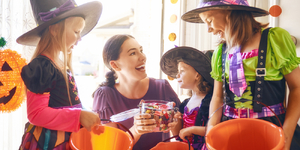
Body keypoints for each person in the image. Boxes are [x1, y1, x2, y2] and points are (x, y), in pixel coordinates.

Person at [181, 0, 300, 149]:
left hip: (272, 131)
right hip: (231, 132)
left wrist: (286, 135)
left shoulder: (274, 39)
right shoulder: (220, 52)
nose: (208, 30)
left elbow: (297, 88)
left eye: (209, 20)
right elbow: (218, 97)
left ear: (230, 12)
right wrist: (211, 128)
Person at [17, 0, 102, 149]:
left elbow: (68, 103)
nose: (79, 38)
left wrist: (86, 114)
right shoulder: (42, 67)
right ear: (54, 29)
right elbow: (36, 114)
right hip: (49, 142)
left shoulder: (60, 65)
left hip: (67, 138)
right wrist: (79, 116)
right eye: (76, 32)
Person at [92, 34, 181, 150]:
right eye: (133, 53)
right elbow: (108, 147)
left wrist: (175, 122)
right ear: (115, 65)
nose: (143, 57)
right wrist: (135, 131)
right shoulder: (105, 96)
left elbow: (181, 135)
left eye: (141, 51)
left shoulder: (162, 87)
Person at [160, 46, 214, 150]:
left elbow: (215, 128)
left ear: (197, 75)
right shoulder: (185, 103)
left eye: (182, 71)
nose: (177, 74)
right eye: (177, 71)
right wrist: (174, 121)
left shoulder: (209, 101)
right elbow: (178, 133)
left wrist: (192, 129)